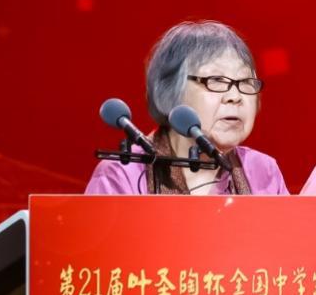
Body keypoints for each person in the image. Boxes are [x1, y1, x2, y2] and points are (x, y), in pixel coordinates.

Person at [85, 21, 290, 195]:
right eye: (216, 80)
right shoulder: (122, 174)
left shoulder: (263, 170)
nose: (235, 97)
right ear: (170, 92)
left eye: (245, 82)